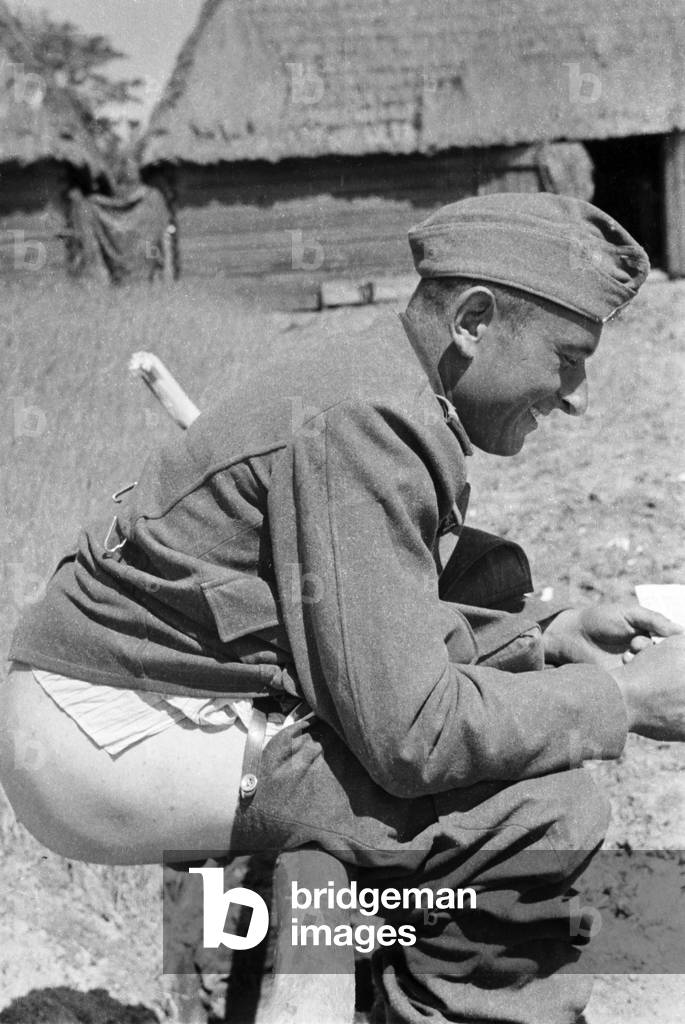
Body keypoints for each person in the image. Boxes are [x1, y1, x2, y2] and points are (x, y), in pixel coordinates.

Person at [2, 192, 685, 1024]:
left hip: (126, 705)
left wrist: (550, 632)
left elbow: (391, 603)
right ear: (473, 321)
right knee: (537, 813)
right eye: (567, 357)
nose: (576, 395)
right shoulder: (367, 422)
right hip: (106, 737)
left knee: (489, 577)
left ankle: (321, 954)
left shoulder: (378, 380)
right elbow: (413, 738)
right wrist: (624, 699)